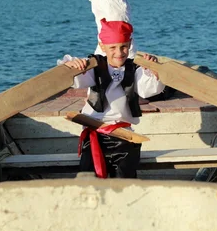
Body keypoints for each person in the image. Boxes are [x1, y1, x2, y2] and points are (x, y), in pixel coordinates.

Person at [58, 18, 165, 179]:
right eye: (112, 47)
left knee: (125, 178)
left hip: (123, 136)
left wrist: (153, 70)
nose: (119, 52)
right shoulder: (94, 66)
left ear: (129, 45)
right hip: (95, 133)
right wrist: (72, 66)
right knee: (88, 177)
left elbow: (147, 89)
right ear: (102, 46)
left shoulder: (135, 69)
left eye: (123, 46)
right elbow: (77, 80)